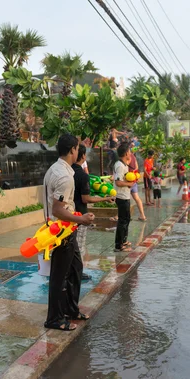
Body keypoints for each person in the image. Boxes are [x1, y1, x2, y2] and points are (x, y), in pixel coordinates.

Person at [43, 134, 95, 332]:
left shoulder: (57, 169)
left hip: (66, 230)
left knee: (75, 269)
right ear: (73, 149)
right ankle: (54, 318)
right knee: (59, 276)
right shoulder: (64, 176)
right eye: (78, 149)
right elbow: (57, 209)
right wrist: (81, 218)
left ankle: (71, 310)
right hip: (60, 232)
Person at [73, 144, 114, 281]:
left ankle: (71, 271)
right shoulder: (83, 176)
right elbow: (86, 198)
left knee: (71, 246)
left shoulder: (68, 171)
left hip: (68, 214)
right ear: (83, 156)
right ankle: (77, 273)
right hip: (80, 216)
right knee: (79, 246)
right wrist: (106, 197)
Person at [114, 143, 136, 252]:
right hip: (121, 197)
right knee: (123, 220)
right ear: (126, 153)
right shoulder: (120, 166)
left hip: (125, 196)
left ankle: (124, 240)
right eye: (130, 151)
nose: (131, 154)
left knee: (127, 219)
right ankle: (119, 245)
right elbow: (118, 182)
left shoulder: (125, 165)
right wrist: (128, 184)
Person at [128, 143, 147, 221]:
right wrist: (133, 173)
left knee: (124, 199)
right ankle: (142, 215)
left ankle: (119, 216)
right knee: (137, 198)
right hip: (134, 179)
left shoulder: (127, 156)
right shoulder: (133, 156)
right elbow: (136, 167)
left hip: (128, 181)